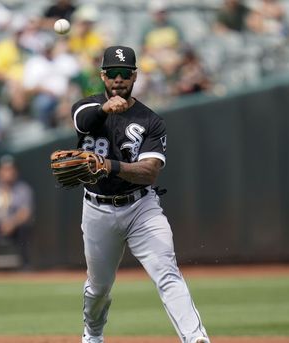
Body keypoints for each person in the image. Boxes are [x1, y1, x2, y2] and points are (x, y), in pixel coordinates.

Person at [71, 45, 210, 343]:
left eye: (124, 74)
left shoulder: (151, 121)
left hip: (141, 207)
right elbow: (82, 123)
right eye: (112, 74)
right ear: (102, 76)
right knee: (98, 287)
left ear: (134, 76)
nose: (118, 80)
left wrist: (107, 165)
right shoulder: (86, 107)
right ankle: (92, 335)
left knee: (167, 272)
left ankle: (196, 338)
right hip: (97, 209)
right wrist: (104, 109)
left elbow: (148, 172)